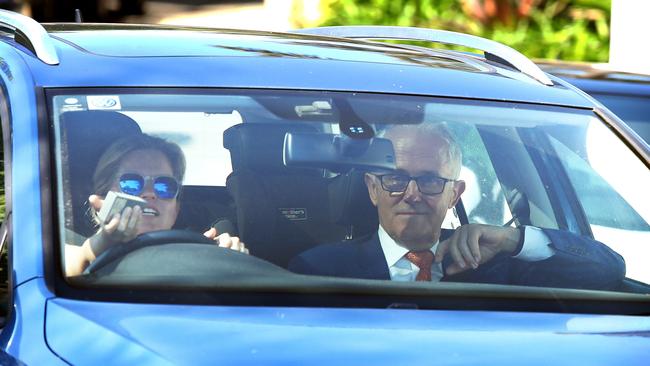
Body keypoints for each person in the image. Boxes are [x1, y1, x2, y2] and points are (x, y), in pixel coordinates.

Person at [289, 124, 625, 290]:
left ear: (456, 194)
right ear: (372, 189)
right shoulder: (320, 270)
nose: (412, 194)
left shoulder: (495, 264)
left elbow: (609, 271)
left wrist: (512, 240)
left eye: (431, 181)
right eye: (395, 180)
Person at [65, 133, 246, 276]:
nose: (150, 193)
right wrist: (102, 245)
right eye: (131, 184)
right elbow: (70, 265)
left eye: (164, 186)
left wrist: (228, 259)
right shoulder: (60, 248)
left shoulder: (203, 252)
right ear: (102, 199)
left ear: (175, 209)